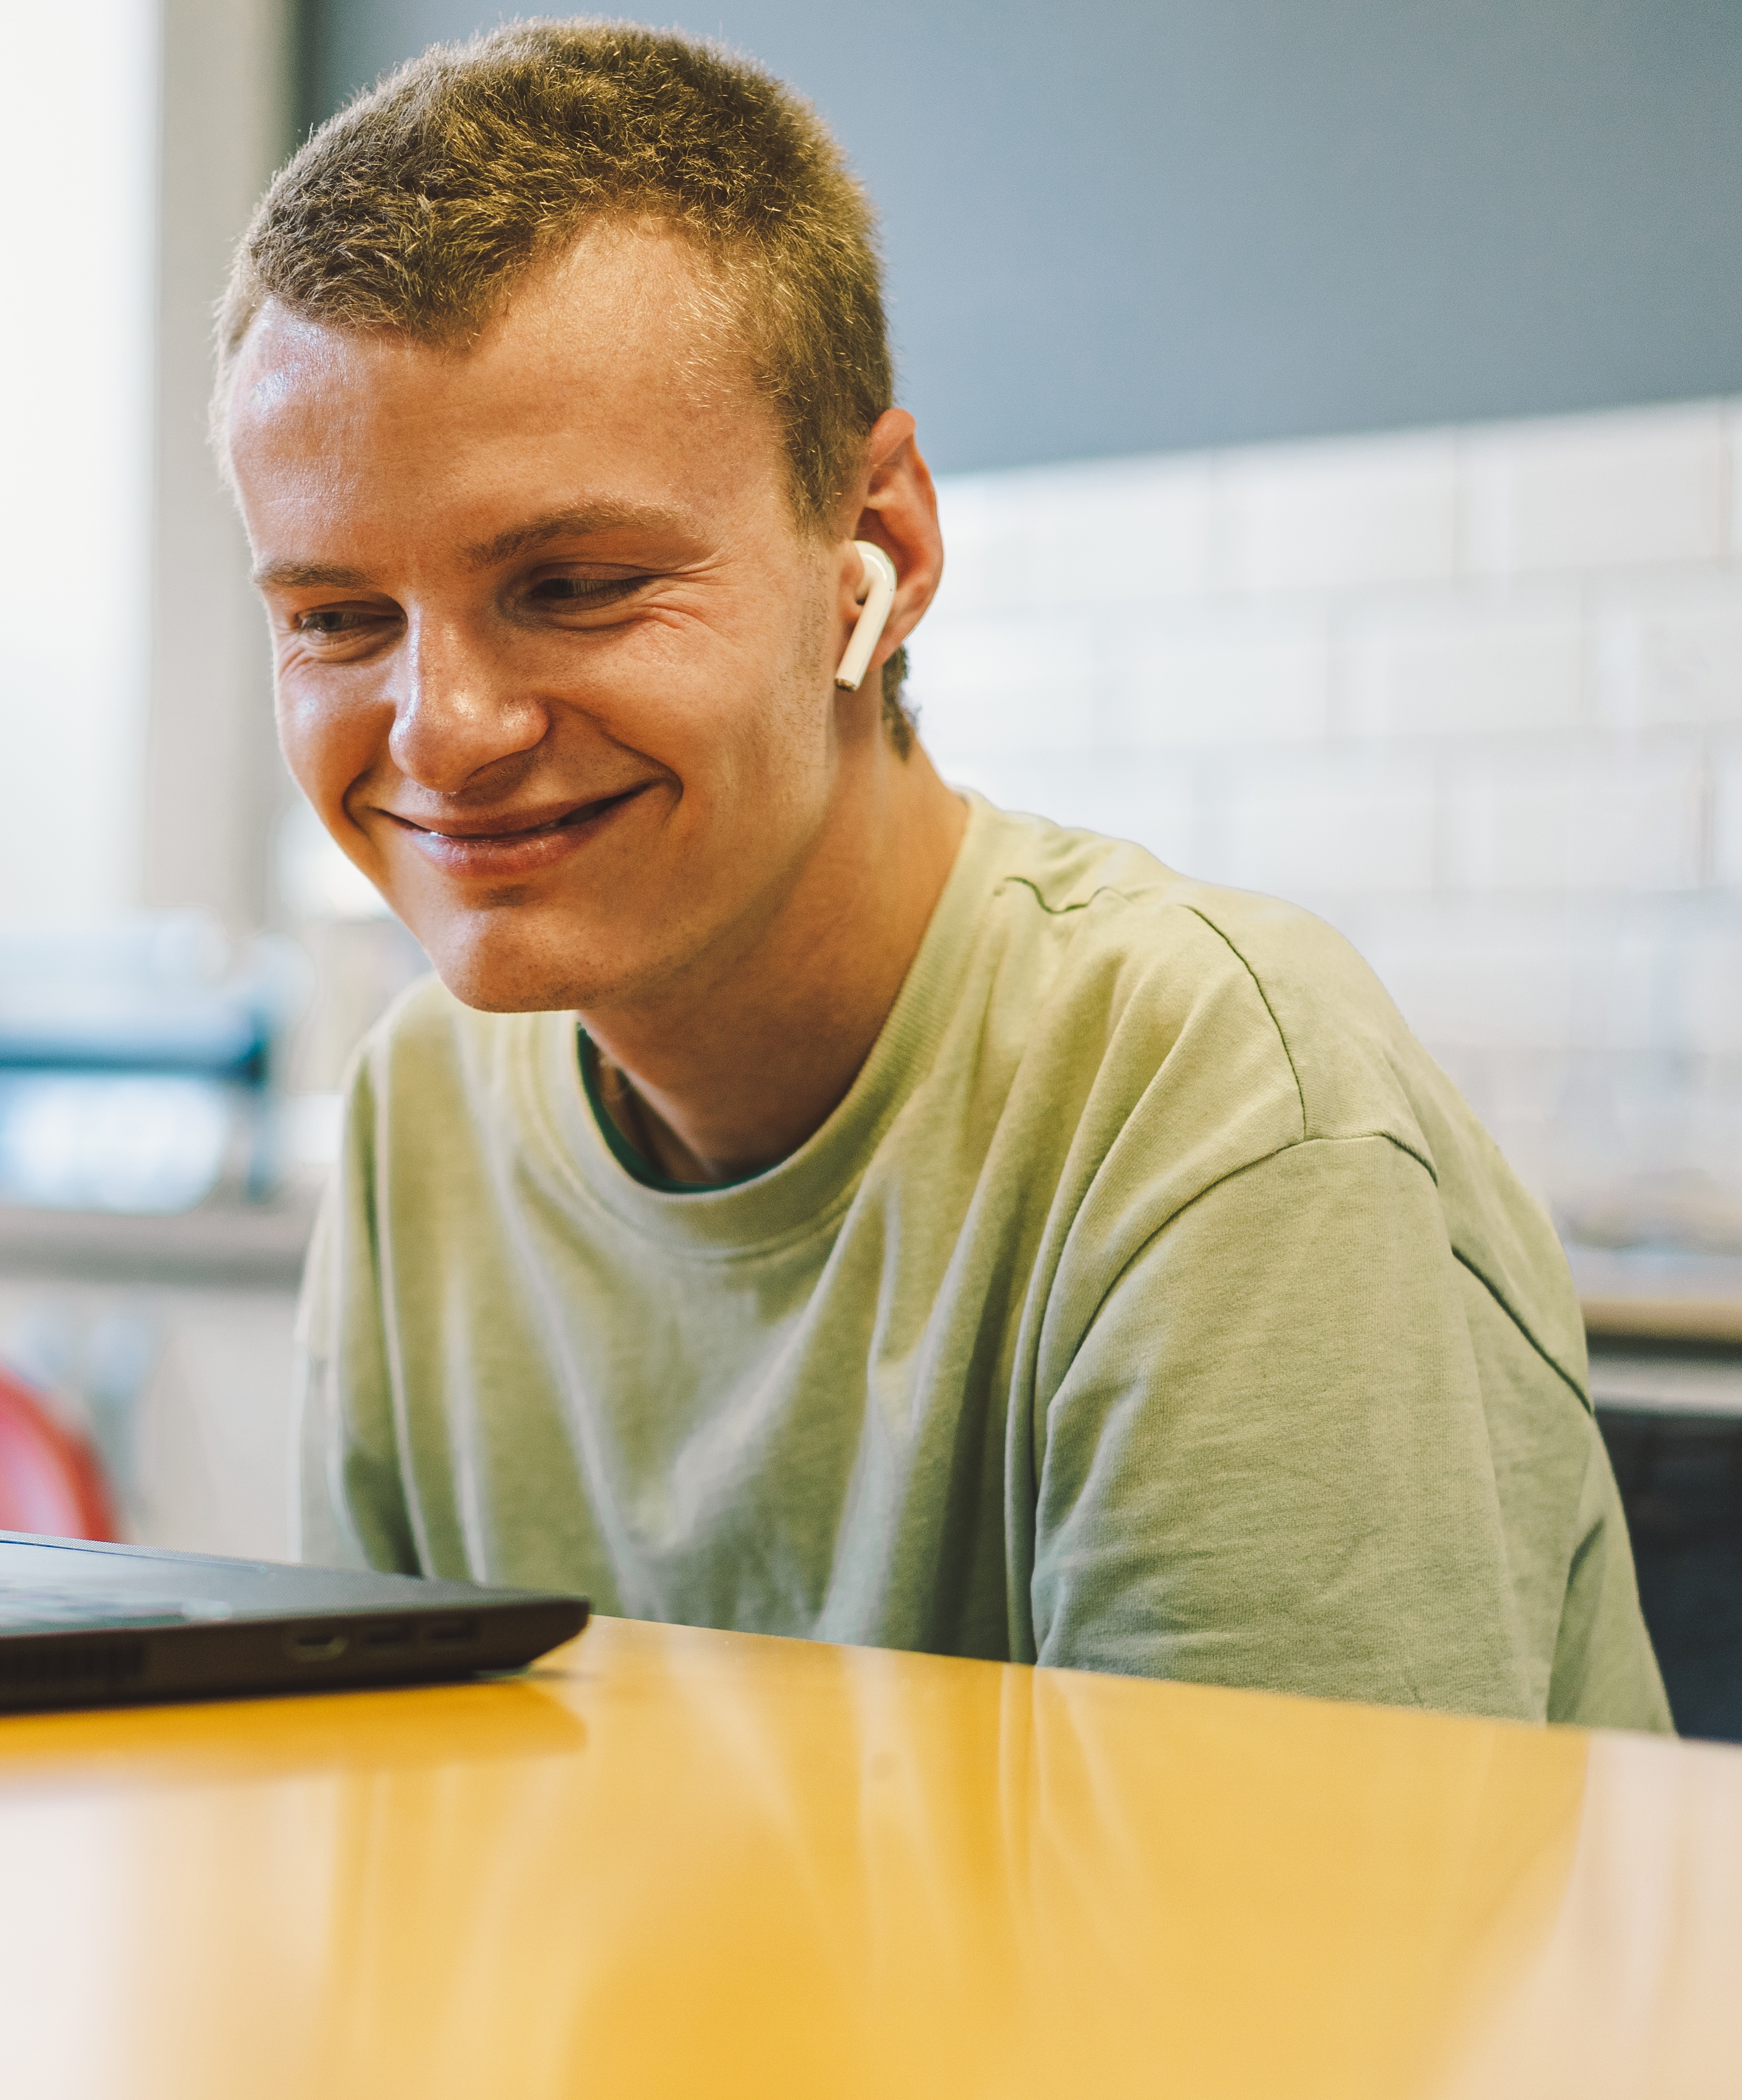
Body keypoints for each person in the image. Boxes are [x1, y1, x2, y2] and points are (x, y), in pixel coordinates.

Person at [219, 20, 1669, 1728]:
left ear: (880, 554)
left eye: (580, 582)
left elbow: (1284, 1978)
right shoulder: (425, 1117)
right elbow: (401, 1857)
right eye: (334, 619)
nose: (443, 730)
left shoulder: (1220, 1114)